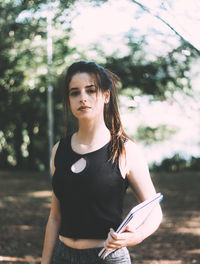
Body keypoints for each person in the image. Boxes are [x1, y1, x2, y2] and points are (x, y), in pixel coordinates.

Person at [41, 61, 163, 264]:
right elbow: (55, 217)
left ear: (106, 95)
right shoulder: (59, 150)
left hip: (107, 258)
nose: (83, 98)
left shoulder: (125, 150)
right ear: (69, 100)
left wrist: (135, 236)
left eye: (91, 90)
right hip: (62, 256)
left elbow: (154, 209)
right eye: (75, 93)